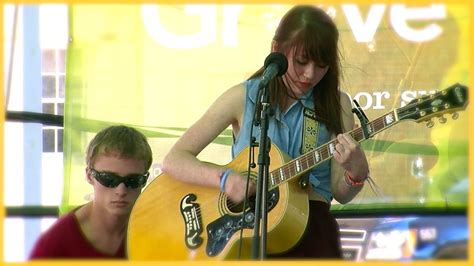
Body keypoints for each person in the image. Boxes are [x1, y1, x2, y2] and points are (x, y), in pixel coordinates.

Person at [162, 5, 369, 259]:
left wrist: (356, 174)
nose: (310, 74)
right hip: (246, 233)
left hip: (311, 233)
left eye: (321, 65)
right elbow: (175, 159)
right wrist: (225, 180)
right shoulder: (243, 96)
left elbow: (340, 192)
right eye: (301, 61)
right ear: (276, 50)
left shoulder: (338, 104)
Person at [29, 125, 153, 259]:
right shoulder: (56, 244)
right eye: (109, 178)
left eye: (133, 180)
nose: (121, 190)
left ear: (144, 179)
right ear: (89, 176)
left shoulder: (158, 232)